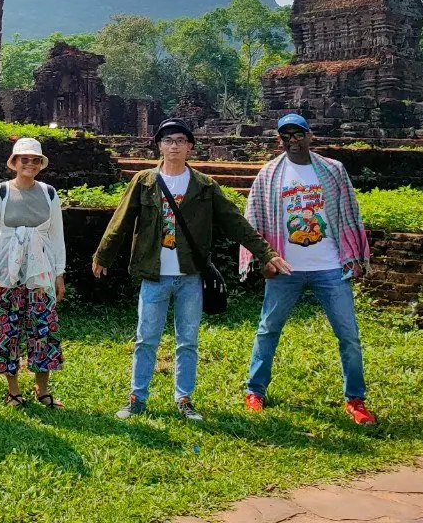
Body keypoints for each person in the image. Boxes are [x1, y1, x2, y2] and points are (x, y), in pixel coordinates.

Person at [92, 119, 290, 421]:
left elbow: (233, 221)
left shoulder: (203, 185)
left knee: (188, 340)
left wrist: (265, 252)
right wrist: (103, 254)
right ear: (159, 145)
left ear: (190, 147)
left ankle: (184, 398)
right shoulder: (145, 181)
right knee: (146, 339)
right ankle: (137, 397)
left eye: (180, 141)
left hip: (190, 276)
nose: (173, 146)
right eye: (168, 140)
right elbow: (121, 220)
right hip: (155, 274)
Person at [241, 113, 378, 425]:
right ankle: (255, 391)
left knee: (348, 336)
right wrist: (263, 258)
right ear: (280, 139)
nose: (293, 139)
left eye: (298, 133)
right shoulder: (269, 174)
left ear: (309, 135)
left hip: (330, 266)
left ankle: (355, 399)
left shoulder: (333, 171)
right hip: (285, 268)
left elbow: (349, 213)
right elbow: (254, 218)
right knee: (268, 330)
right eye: (286, 134)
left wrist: (354, 256)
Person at [0, 137, 66, 408]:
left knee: (44, 328)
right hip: (7, 270)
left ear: (41, 164)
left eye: (35, 160)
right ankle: (13, 390)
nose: (30, 164)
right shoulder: (0, 192)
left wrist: (59, 273)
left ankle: (42, 389)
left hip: (41, 271)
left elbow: (56, 236)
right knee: (7, 329)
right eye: (24, 159)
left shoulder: (49, 193)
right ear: (14, 163)